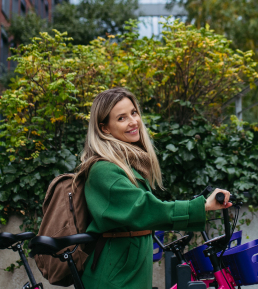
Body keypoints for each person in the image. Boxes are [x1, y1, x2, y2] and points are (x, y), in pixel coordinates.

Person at [76, 87, 232, 289]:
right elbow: (146, 209)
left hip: (127, 270)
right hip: (113, 277)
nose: (133, 121)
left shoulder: (127, 165)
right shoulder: (103, 170)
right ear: (104, 128)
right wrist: (201, 206)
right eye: (121, 118)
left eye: (133, 112)